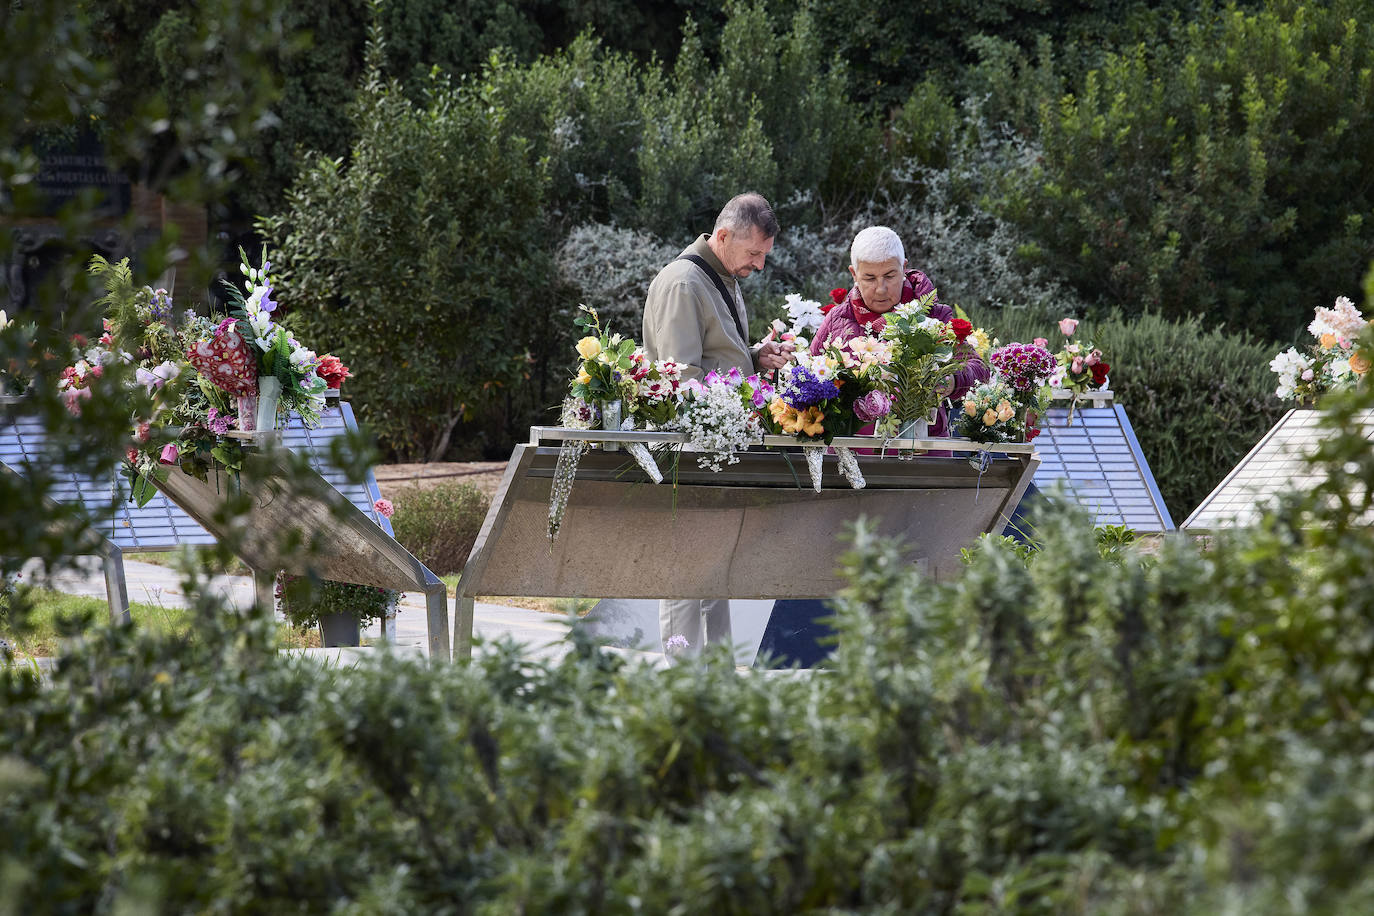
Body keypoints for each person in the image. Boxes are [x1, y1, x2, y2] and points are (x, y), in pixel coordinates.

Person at [642, 192, 794, 657]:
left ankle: (718, 691)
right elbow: (679, 381)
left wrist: (753, 358)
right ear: (723, 237)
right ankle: (685, 692)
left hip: (715, 452)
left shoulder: (719, 275)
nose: (760, 266)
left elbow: (712, 360)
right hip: (688, 456)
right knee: (685, 579)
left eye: (764, 256)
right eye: (754, 254)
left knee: (712, 576)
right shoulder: (684, 283)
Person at [811, 226, 987, 438]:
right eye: (869, 278)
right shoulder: (837, 320)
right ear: (854, 274)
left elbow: (979, 370)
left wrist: (951, 381)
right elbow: (809, 375)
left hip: (924, 450)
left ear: (904, 268)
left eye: (890, 275)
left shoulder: (935, 316)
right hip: (851, 454)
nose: (881, 288)